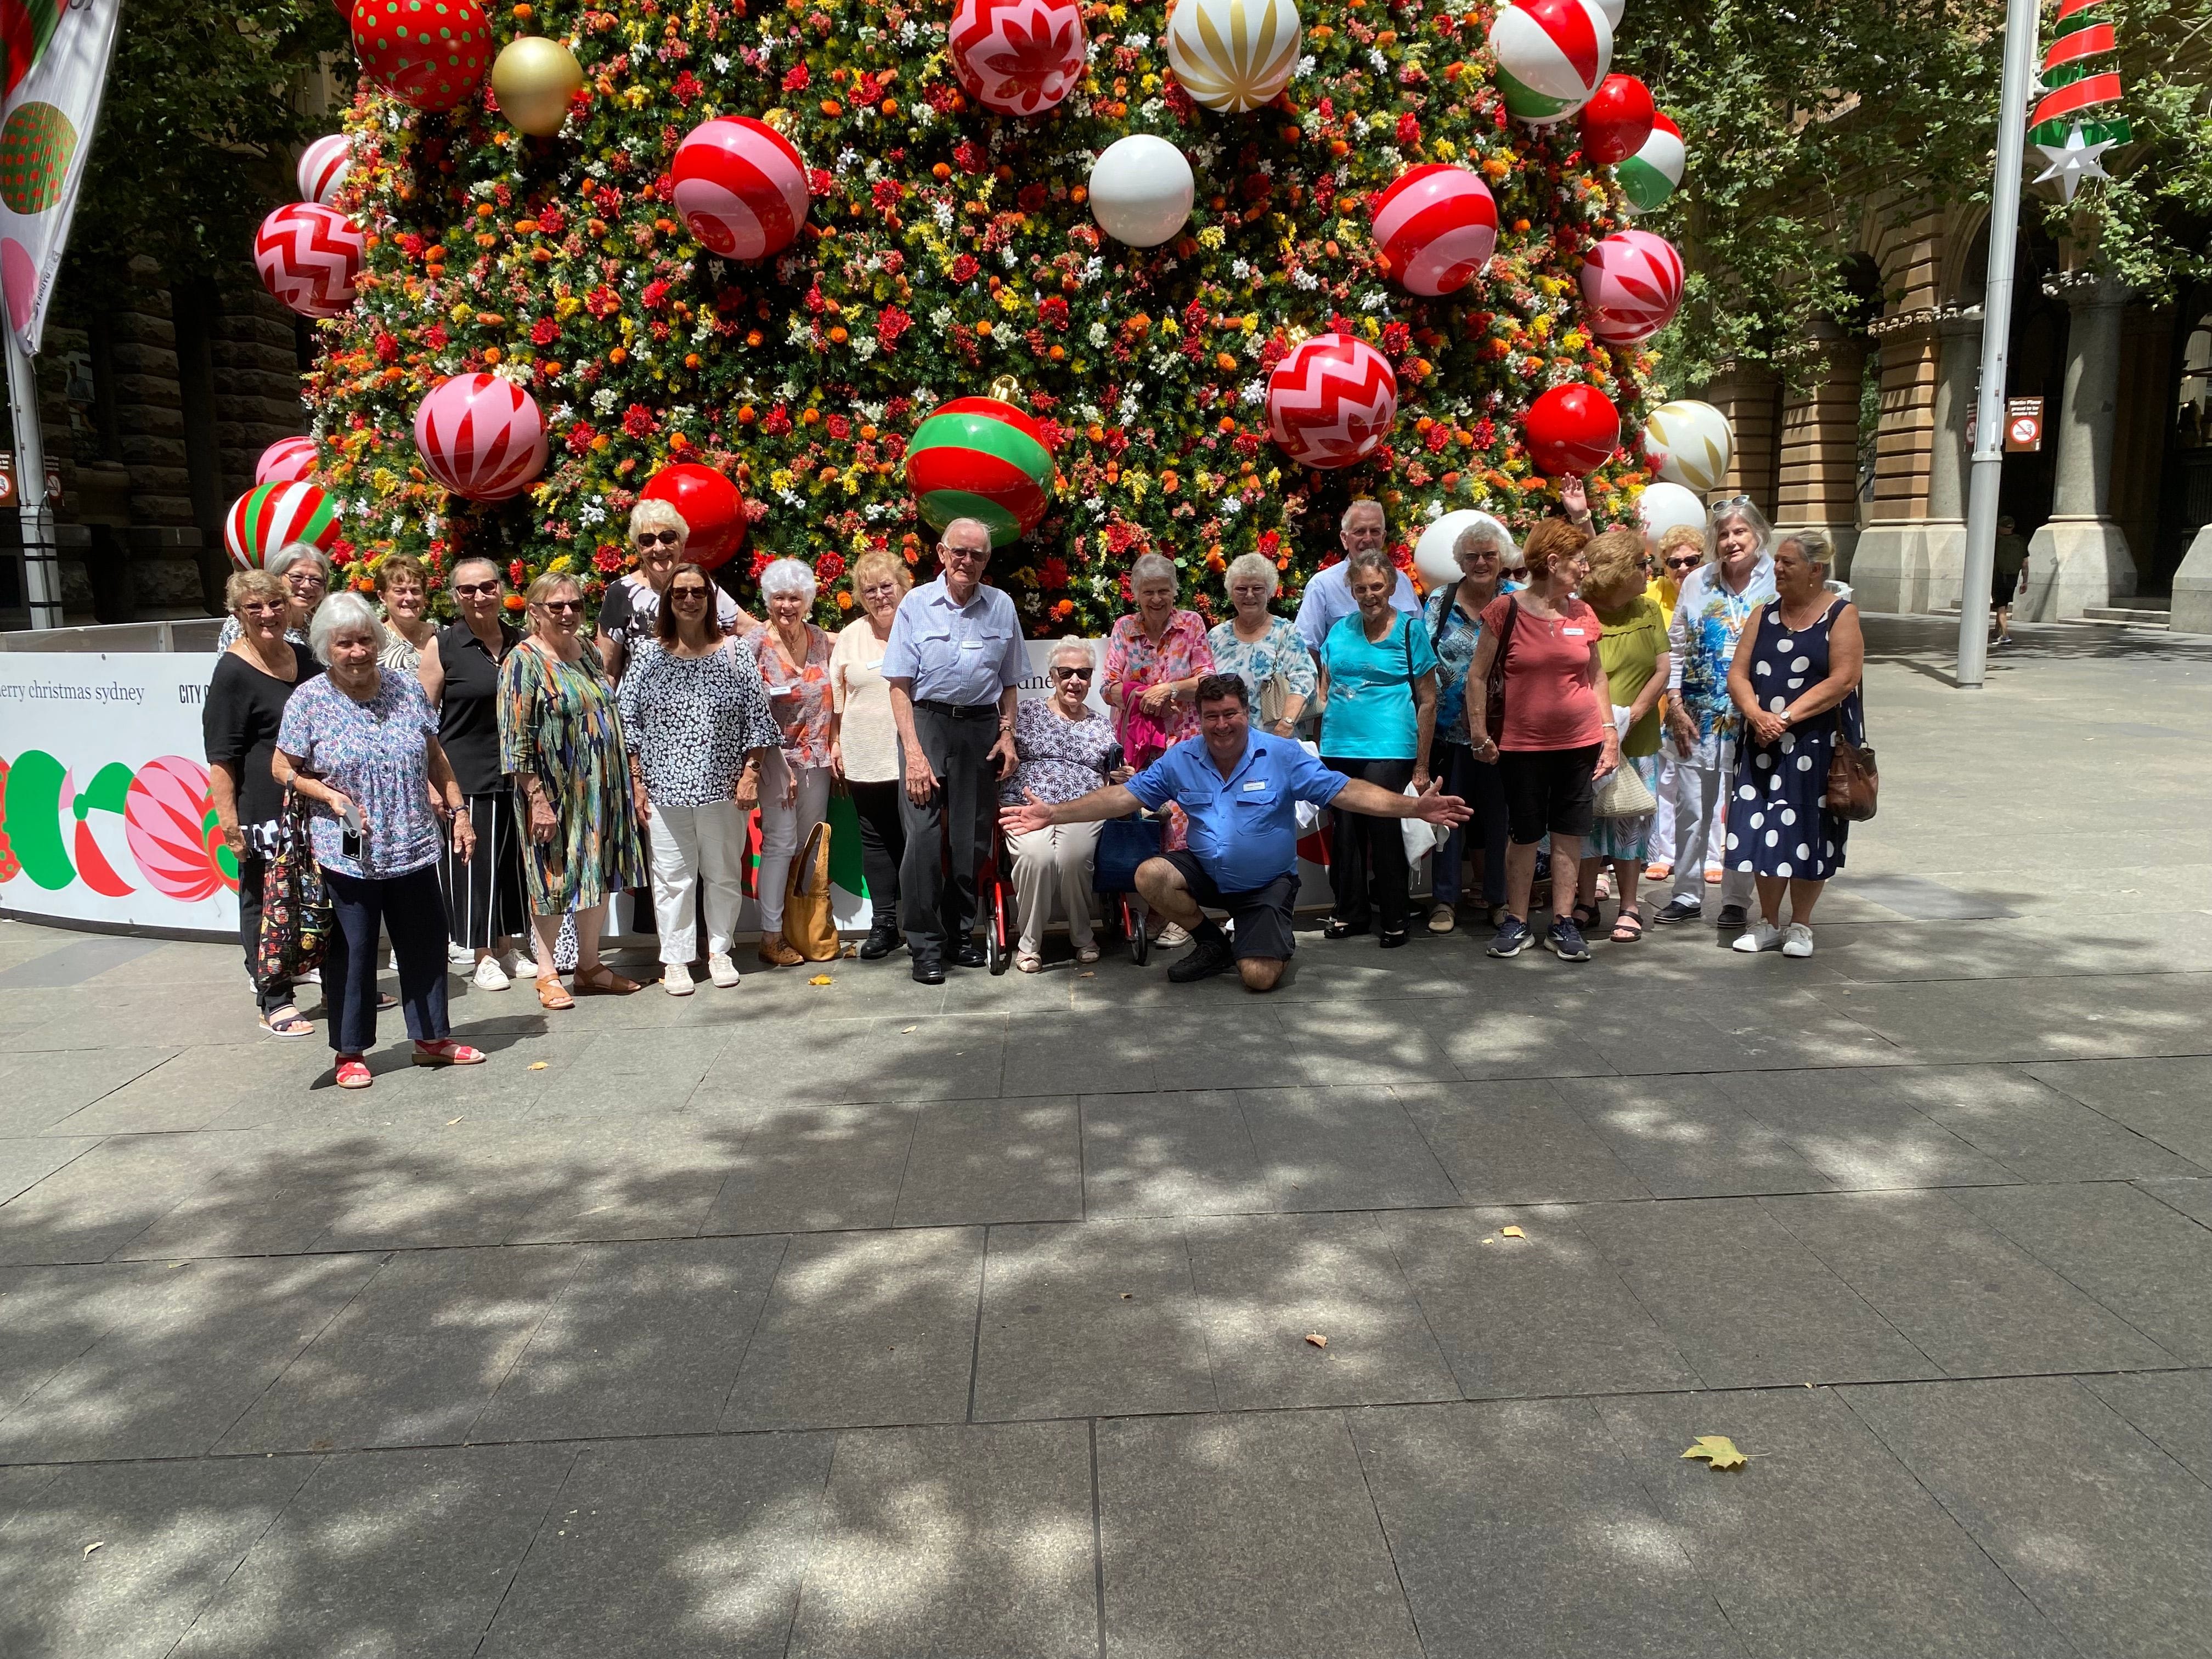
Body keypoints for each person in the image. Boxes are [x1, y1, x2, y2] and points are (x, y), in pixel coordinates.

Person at [1001, 675, 1470, 990]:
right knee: (1150, 875)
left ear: (1246, 712)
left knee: (1259, 978)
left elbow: (1347, 793)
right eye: (1211, 716)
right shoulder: (1182, 757)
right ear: (1200, 718)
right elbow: (1123, 798)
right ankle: (1212, 943)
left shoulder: (1282, 755)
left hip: (1267, 882)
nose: (1221, 725)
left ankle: (1259, 935)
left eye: (1230, 714)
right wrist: (1053, 815)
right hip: (1207, 873)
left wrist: (1415, 806)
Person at [272, 593, 486, 1089]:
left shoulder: (406, 689)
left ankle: (432, 1039)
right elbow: (282, 767)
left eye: (365, 639)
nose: (357, 651)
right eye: (344, 643)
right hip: (346, 846)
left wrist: (459, 813)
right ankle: (350, 1052)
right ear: (327, 648)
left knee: (425, 943)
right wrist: (325, 793)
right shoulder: (309, 700)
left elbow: (435, 756)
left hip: (411, 838)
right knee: (354, 949)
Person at [619, 561, 782, 994]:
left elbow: (758, 722)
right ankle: (675, 959)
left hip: (723, 790)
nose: (689, 600)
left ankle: (720, 951)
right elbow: (628, 724)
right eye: (679, 593)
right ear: (667, 602)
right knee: (673, 879)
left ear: (710, 600)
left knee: (724, 874)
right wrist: (636, 782)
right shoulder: (648, 656)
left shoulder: (734, 652)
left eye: (698, 592)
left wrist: (750, 775)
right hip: (664, 790)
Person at [1464, 517, 1622, 962]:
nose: (1584, 568)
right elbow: (1477, 677)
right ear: (1553, 562)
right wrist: (1479, 733)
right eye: (1578, 560)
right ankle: (1516, 921)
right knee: (1525, 833)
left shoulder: (1583, 613)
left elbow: (1596, 676)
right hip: (1522, 746)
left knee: (1570, 833)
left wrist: (1609, 734)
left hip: (1580, 743)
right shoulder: (1505, 610)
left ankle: (1563, 921)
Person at [882, 519, 1030, 983]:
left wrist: (1007, 734)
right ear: (943, 554)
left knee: (970, 838)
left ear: (987, 560)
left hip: (980, 729)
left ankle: (961, 934)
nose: (968, 561)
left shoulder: (1002, 605)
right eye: (959, 553)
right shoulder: (915, 604)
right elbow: (900, 686)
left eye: (978, 555)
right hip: (927, 724)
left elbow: (1010, 683)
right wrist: (914, 752)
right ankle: (925, 945)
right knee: (924, 840)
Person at [498, 571, 651, 1007]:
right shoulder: (522, 662)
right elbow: (515, 740)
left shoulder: (586, 650)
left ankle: (590, 965)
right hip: (554, 793)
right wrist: (537, 800)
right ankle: (547, 971)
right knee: (553, 877)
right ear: (534, 612)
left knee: (596, 874)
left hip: (601, 789)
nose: (568, 613)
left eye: (576, 606)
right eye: (556, 606)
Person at [1724, 531, 1865, 957]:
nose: (1778, 569)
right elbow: (1738, 674)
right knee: (1764, 827)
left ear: (1815, 570)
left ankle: (1800, 925)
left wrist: (1786, 717)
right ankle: (1768, 921)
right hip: (1763, 742)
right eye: (1778, 561)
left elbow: (1843, 679)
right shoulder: (1763, 614)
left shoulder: (1842, 615)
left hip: (1815, 745)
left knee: (1809, 828)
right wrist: (1756, 714)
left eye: (1788, 562)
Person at [204, 568, 323, 1036]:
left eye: (275, 603)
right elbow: (221, 758)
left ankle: (339, 984)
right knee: (266, 900)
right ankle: (273, 997)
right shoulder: (233, 670)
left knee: (326, 895)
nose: (267, 614)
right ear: (238, 615)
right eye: (254, 607)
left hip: (316, 802)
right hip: (262, 807)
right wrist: (230, 825)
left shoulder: (304, 658)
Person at [1654, 497, 1776, 932]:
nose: (1731, 541)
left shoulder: (1775, 581)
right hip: (1697, 716)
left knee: (1742, 810)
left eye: (1740, 532)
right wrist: (1675, 704)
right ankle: (1686, 894)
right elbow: (1678, 643)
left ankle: (1736, 900)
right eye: (1723, 534)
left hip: (1753, 720)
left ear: (1758, 534)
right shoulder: (1698, 582)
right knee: (1690, 808)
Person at [1315, 546, 1441, 948]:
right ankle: (1349, 912)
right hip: (1338, 745)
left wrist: (1422, 766)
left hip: (1390, 746)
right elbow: (1326, 687)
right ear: (1351, 590)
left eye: (1376, 586)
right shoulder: (1338, 630)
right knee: (1346, 833)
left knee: (1384, 829)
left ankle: (1394, 915)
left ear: (1390, 586)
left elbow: (1428, 700)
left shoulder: (1409, 630)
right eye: (1360, 588)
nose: (1369, 595)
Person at [419, 558, 534, 990]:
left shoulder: (521, 642)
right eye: (468, 590)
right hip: (464, 774)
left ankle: (508, 946)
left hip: (517, 772)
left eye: (487, 587)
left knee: (511, 867)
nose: (479, 597)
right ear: (455, 596)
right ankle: (482, 954)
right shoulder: (444, 645)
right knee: (474, 867)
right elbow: (421, 719)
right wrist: (432, 783)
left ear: (501, 589)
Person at [1567, 529, 1672, 944]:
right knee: (1588, 822)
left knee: (1631, 821)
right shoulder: (1578, 612)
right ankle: (1587, 901)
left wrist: (1636, 714)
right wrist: (1606, 723)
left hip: (1640, 737)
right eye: (1641, 565)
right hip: (1586, 736)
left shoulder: (1647, 609)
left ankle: (1629, 905)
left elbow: (1662, 668)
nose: (1650, 571)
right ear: (1618, 573)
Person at [1000, 637, 1121, 971]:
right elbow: (1003, 753)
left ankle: (1082, 936)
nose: (1075, 681)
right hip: (1026, 807)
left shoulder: (1100, 723)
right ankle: (1029, 943)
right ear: (1052, 676)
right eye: (1067, 673)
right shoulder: (1025, 713)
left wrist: (1122, 776)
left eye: (1083, 673)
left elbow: (1111, 772)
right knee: (1036, 857)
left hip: (1082, 808)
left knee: (1073, 856)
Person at [1423, 519, 1517, 933]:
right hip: (1450, 734)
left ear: (1502, 560)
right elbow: (1424, 664)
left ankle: (1499, 898)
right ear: (1460, 560)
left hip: (1504, 732)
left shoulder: (1518, 600)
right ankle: (1445, 901)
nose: (1481, 562)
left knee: (1499, 821)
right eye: (1473, 556)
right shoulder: (1441, 602)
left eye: (1490, 555)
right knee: (1448, 817)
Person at [751, 558, 838, 967]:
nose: (787, 605)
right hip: (775, 762)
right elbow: (749, 713)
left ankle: (802, 931)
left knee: (809, 846)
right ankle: (770, 935)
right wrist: (775, 766)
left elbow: (865, 644)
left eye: (795, 598)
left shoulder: (820, 639)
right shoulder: (754, 645)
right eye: (780, 598)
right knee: (780, 845)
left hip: (817, 761)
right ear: (768, 601)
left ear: (808, 601)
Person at [830, 551, 912, 960]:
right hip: (864, 752)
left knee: (919, 839)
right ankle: (884, 925)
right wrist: (835, 742)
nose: (880, 596)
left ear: (903, 586)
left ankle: (920, 922)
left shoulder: (920, 627)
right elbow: (837, 697)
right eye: (870, 591)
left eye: (886, 586)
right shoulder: (850, 636)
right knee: (875, 840)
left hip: (912, 754)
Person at [593, 499, 752, 683]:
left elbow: (751, 630)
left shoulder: (701, 586)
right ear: (638, 547)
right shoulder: (621, 593)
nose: (659, 548)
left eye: (668, 538)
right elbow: (609, 670)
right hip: (645, 707)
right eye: (647, 540)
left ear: (682, 544)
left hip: (705, 702)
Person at [1103, 551, 1215, 768]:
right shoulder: (1124, 627)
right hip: (1136, 744)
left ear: (1174, 591)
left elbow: (1208, 681)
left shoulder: (1191, 624)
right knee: (1138, 801)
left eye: (1163, 591)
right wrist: (1150, 701)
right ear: (1136, 595)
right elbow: (1108, 688)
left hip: (1186, 741)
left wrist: (1169, 689)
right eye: (1148, 592)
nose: (1157, 599)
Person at [1643, 523, 1708, 883]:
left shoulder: (1715, 595)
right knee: (1663, 784)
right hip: (1659, 708)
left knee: (1703, 784)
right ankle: (1663, 853)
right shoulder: (1653, 594)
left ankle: (1708, 855)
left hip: (1704, 706)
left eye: (1691, 560)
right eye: (1674, 562)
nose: (1683, 568)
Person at [1206, 552, 1316, 739]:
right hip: (1226, 742)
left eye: (1258, 588)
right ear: (1231, 592)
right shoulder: (1216, 636)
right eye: (1241, 589)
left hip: (1276, 739)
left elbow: (1305, 682)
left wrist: (1286, 724)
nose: (1249, 595)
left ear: (1270, 592)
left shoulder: (1286, 633)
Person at [1291, 499, 1419, 656]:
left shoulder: (1403, 582)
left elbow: (1421, 638)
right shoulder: (1323, 585)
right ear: (1344, 539)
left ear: (1384, 537)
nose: (1368, 539)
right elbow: (1305, 647)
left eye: (1375, 531)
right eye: (1359, 532)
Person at [215, 543, 330, 648]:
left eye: (316, 580)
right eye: (297, 577)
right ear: (276, 578)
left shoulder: (314, 623)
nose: (306, 586)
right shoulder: (248, 623)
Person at [375, 555, 437, 671]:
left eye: (415, 591)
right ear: (382, 597)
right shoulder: (373, 642)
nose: (409, 598)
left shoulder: (446, 637)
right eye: (400, 591)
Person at [1991, 514, 2030, 646]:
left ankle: (2005, 635)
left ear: (2001, 527)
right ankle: (1997, 630)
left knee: (2001, 605)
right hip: (2013, 576)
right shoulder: (2020, 541)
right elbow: (2025, 563)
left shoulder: (1997, 541)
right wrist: (2025, 581)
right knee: (2004, 604)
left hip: (1999, 576)